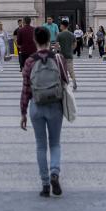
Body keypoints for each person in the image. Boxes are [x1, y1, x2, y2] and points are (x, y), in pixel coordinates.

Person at [20, 26, 70, 197]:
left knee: (41, 146)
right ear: (50, 39)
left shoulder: (29, 61)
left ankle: (45, 184)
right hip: (55, 105)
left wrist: (23, 113)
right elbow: (65, 79)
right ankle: (55, 172)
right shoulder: (58, 58)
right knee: (55, 143)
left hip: (37, 105)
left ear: (35, 40)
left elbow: (26, 88)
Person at [56, 18, 77, 90]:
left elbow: (57, 45)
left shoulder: (59, 34)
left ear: (63, 26)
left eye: (60, 25)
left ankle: (64, 83)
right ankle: (74, 81)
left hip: (62, 56)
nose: (60, 26)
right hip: (69, 55)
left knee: (62, 70)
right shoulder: (72, 34)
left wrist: (58, 50)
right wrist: (71, 49)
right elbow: (75, 44)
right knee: (71, 70)